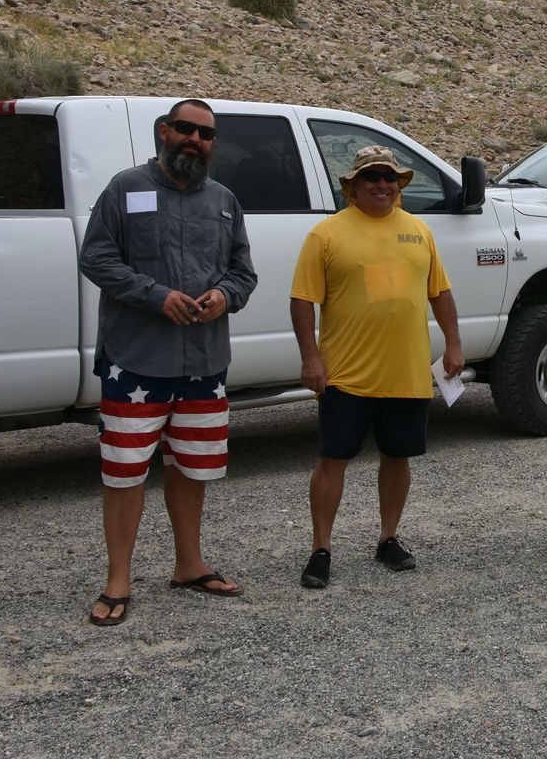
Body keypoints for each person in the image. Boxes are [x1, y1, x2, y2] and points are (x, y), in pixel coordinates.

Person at [77, 99, 257, 626]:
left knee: (192, 466)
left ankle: (189, 564)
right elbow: (97, 257)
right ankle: (117, 579)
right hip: (136, 359)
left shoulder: (224, 200)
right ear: (164, 131)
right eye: (185, 129)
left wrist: (225, 295)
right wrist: (155, 295)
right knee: (125, 472)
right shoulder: (125, 188)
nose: (194, 140)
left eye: (205, 134)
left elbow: (243, 272)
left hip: (204, 362)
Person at [290, 145, 463, 590]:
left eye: (389, 178)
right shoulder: (326, 235)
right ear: (353, 186)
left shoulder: (419, 230)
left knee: (397, 457)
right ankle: (321, 548)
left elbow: (439, 292)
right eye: (372, 178)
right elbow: (302, 300)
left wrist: (454, 346)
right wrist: (311, 357)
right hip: (345, 374)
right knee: (333, 460)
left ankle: (388, 538)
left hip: (405, 371)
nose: (382, 185)